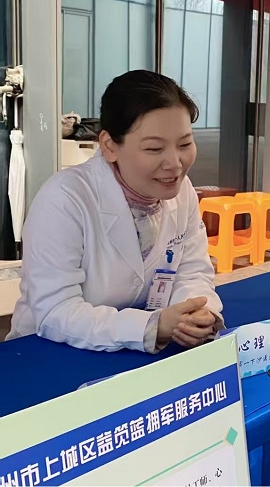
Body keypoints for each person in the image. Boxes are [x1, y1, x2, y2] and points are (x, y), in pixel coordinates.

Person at [8, 70, 224, 353]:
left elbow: (192, 271)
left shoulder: (181, 192)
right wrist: (150, 327)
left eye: (184, 144)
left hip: (135, 353)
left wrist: (194, 312)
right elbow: (55, 311)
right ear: (110, 146)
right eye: (154, 148)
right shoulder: (64, 200)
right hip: (50, 354)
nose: (175, 163)